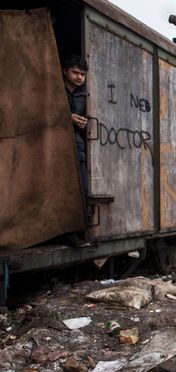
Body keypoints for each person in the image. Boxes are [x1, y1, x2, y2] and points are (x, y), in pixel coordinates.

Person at [62, 55, 91, 247]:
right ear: (65, 71)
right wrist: (67, 117)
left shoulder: (84, 94)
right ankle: (67, 234)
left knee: (82, 190)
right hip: (59, 147)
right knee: (64, 191)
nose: (79, 77)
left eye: (82, 74)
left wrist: (81, 122)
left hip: (78, 145)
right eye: (75, 72)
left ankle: (80, 231)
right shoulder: (55, 89)